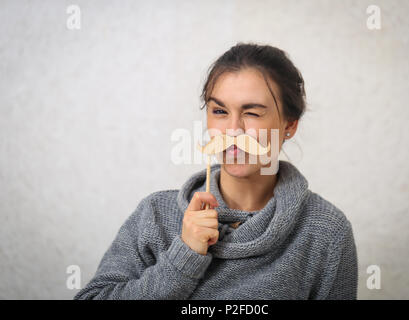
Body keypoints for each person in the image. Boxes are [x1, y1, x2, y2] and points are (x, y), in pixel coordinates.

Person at [74, 42, 358, 300]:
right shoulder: (155, 215)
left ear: (289, 125)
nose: (233, 130)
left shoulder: (326, 231)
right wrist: (184, 256)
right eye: (220, 111)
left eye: (252, 112)